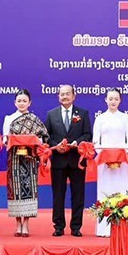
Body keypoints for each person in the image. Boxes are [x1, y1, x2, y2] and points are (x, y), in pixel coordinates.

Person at [44, 84, 92, 237]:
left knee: (78, 195)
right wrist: (55, 146)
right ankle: (58, 226)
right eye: (62, 94)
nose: (64, 96)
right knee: (58, 194)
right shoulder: (51, 114)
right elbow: (46, 136)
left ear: (74, 96)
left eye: (67, 94)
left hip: (76, 160)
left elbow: (87, 135)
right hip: (58, 160)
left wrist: (77, 142)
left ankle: (76, 227)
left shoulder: (83, 114)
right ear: (58, 96)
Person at [3, 89, 48, 237]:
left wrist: (32, 141)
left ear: (30, 103)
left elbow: (43, 138)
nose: (21, 103)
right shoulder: (9, 118)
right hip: (14, 159)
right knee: (15, 191)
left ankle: (26, 225)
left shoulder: (34, 119)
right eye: (19, 101)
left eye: (24, 101)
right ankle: (17, 224)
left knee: (29, 190)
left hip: (30, 160)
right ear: (14, 102)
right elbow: (5, 140)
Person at [93, 89, 128, 237]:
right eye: (110, 98)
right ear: (106, 100)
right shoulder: (100, 118)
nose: (113, 101)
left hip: (122, 163)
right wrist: (106, 155)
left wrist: (121, 155)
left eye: (116, 99)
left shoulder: (125, 118)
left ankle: (122, 227)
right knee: (105, 192)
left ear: (120, 100)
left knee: (122, 191)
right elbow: (96, 141)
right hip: (104, 164)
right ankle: (104, 228)